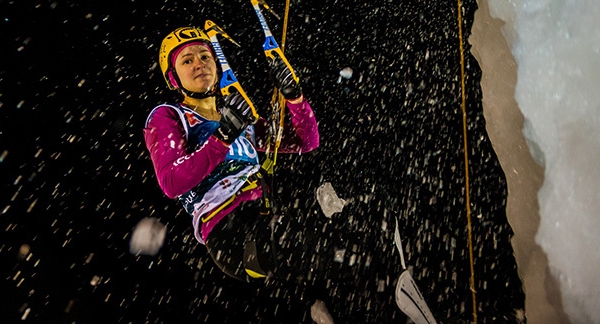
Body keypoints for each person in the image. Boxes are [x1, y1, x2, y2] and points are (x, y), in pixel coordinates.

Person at [143, 26, 439, 323]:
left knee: (373, 216)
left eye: (205, 56)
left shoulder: (235, 116)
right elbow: (172, 181)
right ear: (173, 78)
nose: (199, 64)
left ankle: (379, 300)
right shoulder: (169, 116)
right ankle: (379, 299)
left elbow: (305, 142)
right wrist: (222, 136)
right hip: (232, 232)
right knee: (345, 257)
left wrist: (294, 97)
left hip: (269, 217)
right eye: (187, 60)